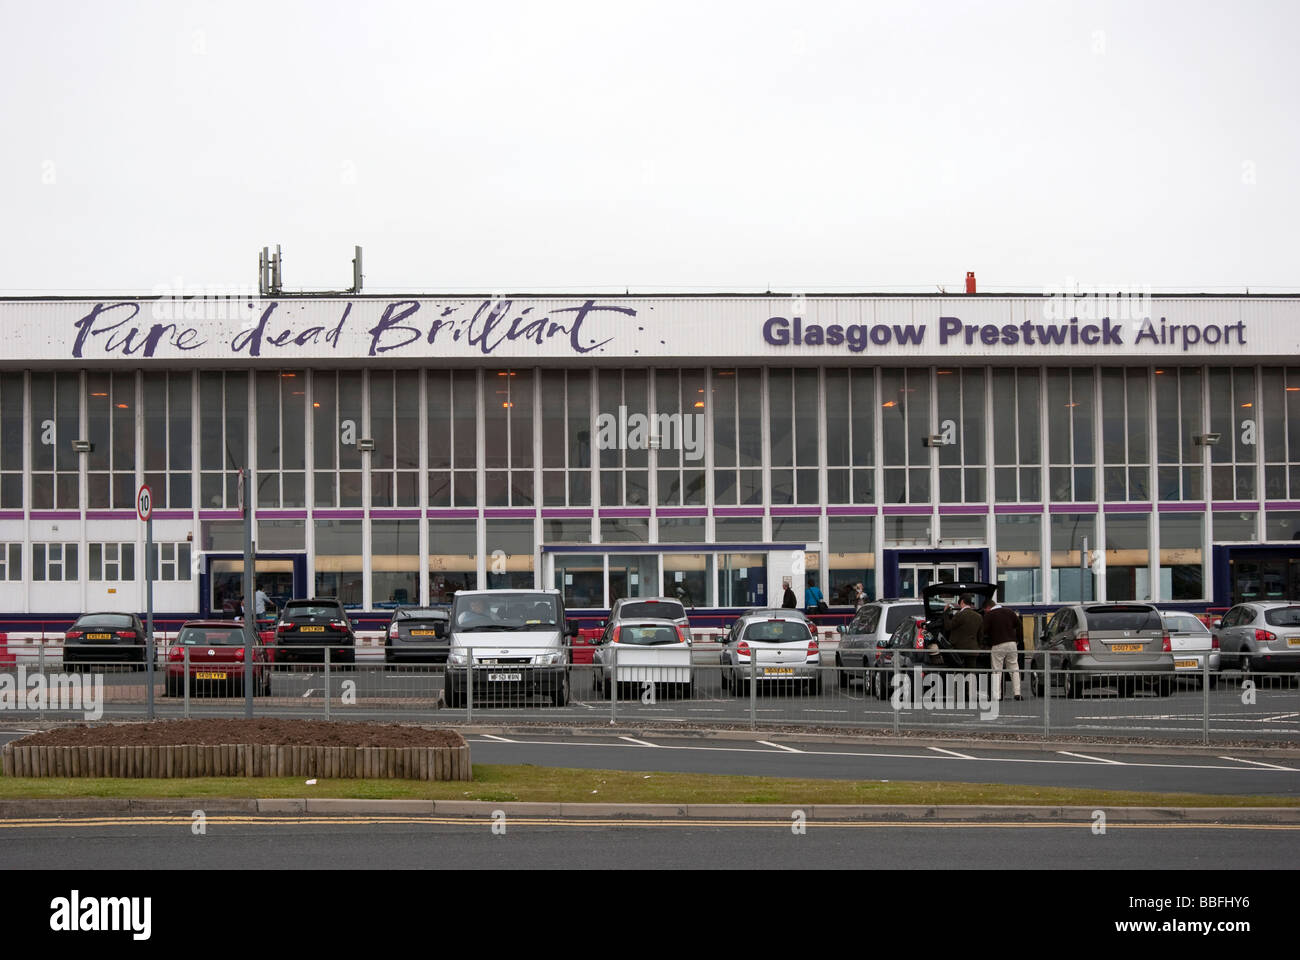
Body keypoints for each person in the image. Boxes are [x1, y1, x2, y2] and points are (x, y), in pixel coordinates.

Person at [983, 597, 1023, 700]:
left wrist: (986, 643)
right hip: (1012, 643)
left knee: (997, 670)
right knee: (1014, 668)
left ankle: (997, 695)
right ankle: (1017, 693)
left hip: (997, 644)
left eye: (985, 610)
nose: (985, 612)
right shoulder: (1009, 611)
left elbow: (984, 631)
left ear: (988, 607)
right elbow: (1019, 625)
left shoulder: (989, 615)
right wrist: (1018, 640)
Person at [941, 593, 984, 669]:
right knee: (971, 673)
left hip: (959, 649)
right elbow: (980, 635)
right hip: (973, 650)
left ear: (962, 602)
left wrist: (945, 613)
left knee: (959, 673)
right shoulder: (979, 616)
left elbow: (948, 627)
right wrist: (978, 646)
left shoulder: (960, 615)